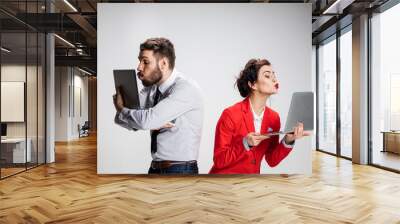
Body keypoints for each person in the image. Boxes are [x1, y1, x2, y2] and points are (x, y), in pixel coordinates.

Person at [113, 37, 204, 174]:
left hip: (180, 170)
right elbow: (121, 120)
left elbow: (144, 120)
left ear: (163, 64)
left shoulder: (186, 88)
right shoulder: (153, 89)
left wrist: (123, 109)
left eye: (145, 62)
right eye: (139, 61)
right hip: (155, 167)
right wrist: (140, 118)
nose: (139, 67)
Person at [209, 58, 309, 174]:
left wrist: (288, 140)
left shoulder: (273, 118)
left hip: (251, 184)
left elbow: (272, 160)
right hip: (224, 183)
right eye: (267, 76)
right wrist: (245, 144)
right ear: (253, 84)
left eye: (274, 75)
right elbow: (219, 160)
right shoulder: (230, 114)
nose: (274, 79)